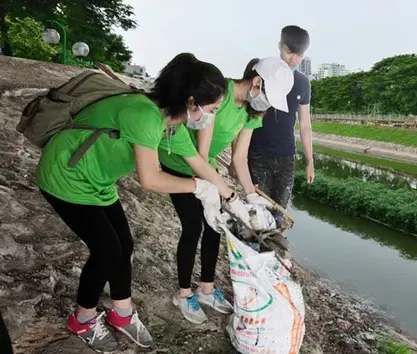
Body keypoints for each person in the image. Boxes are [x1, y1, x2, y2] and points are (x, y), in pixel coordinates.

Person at [34, 53, 252, 353]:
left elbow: (200, 164)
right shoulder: (144, 115)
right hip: (67, 176)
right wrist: (198, 188)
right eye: (212, 109)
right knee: (107, 250)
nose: (211, 117)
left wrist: (232, 199)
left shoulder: (170, 123)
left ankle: (122, 313)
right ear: (192, 101)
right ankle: (83, 319)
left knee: (124, 243)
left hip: (97, 181)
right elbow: (150, 179)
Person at [158, 57, 294, 324]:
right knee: (193, 226)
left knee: (216, 227)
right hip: (180, 164)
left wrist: (251, 195)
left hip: (206, 169)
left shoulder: (251, 113)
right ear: (257, 82)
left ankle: (207, 289)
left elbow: (239, 158)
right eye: (267, 95)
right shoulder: (218, 94)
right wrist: (223, 193)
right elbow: (201, 154)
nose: (266, 103)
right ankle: (184, 294)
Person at [244, 25, 314, 219]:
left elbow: (305, 124)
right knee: (258, 212)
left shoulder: (302, 82)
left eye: (299, 55)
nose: (293, 59)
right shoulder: (263, 72)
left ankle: (274, 248)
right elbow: (244, 114)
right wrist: (238, 157)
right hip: (258, 153)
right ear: (280, 46)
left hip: (286, 157)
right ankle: (254, 247)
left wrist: (310, 161)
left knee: (279, 214)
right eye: (289, 52)